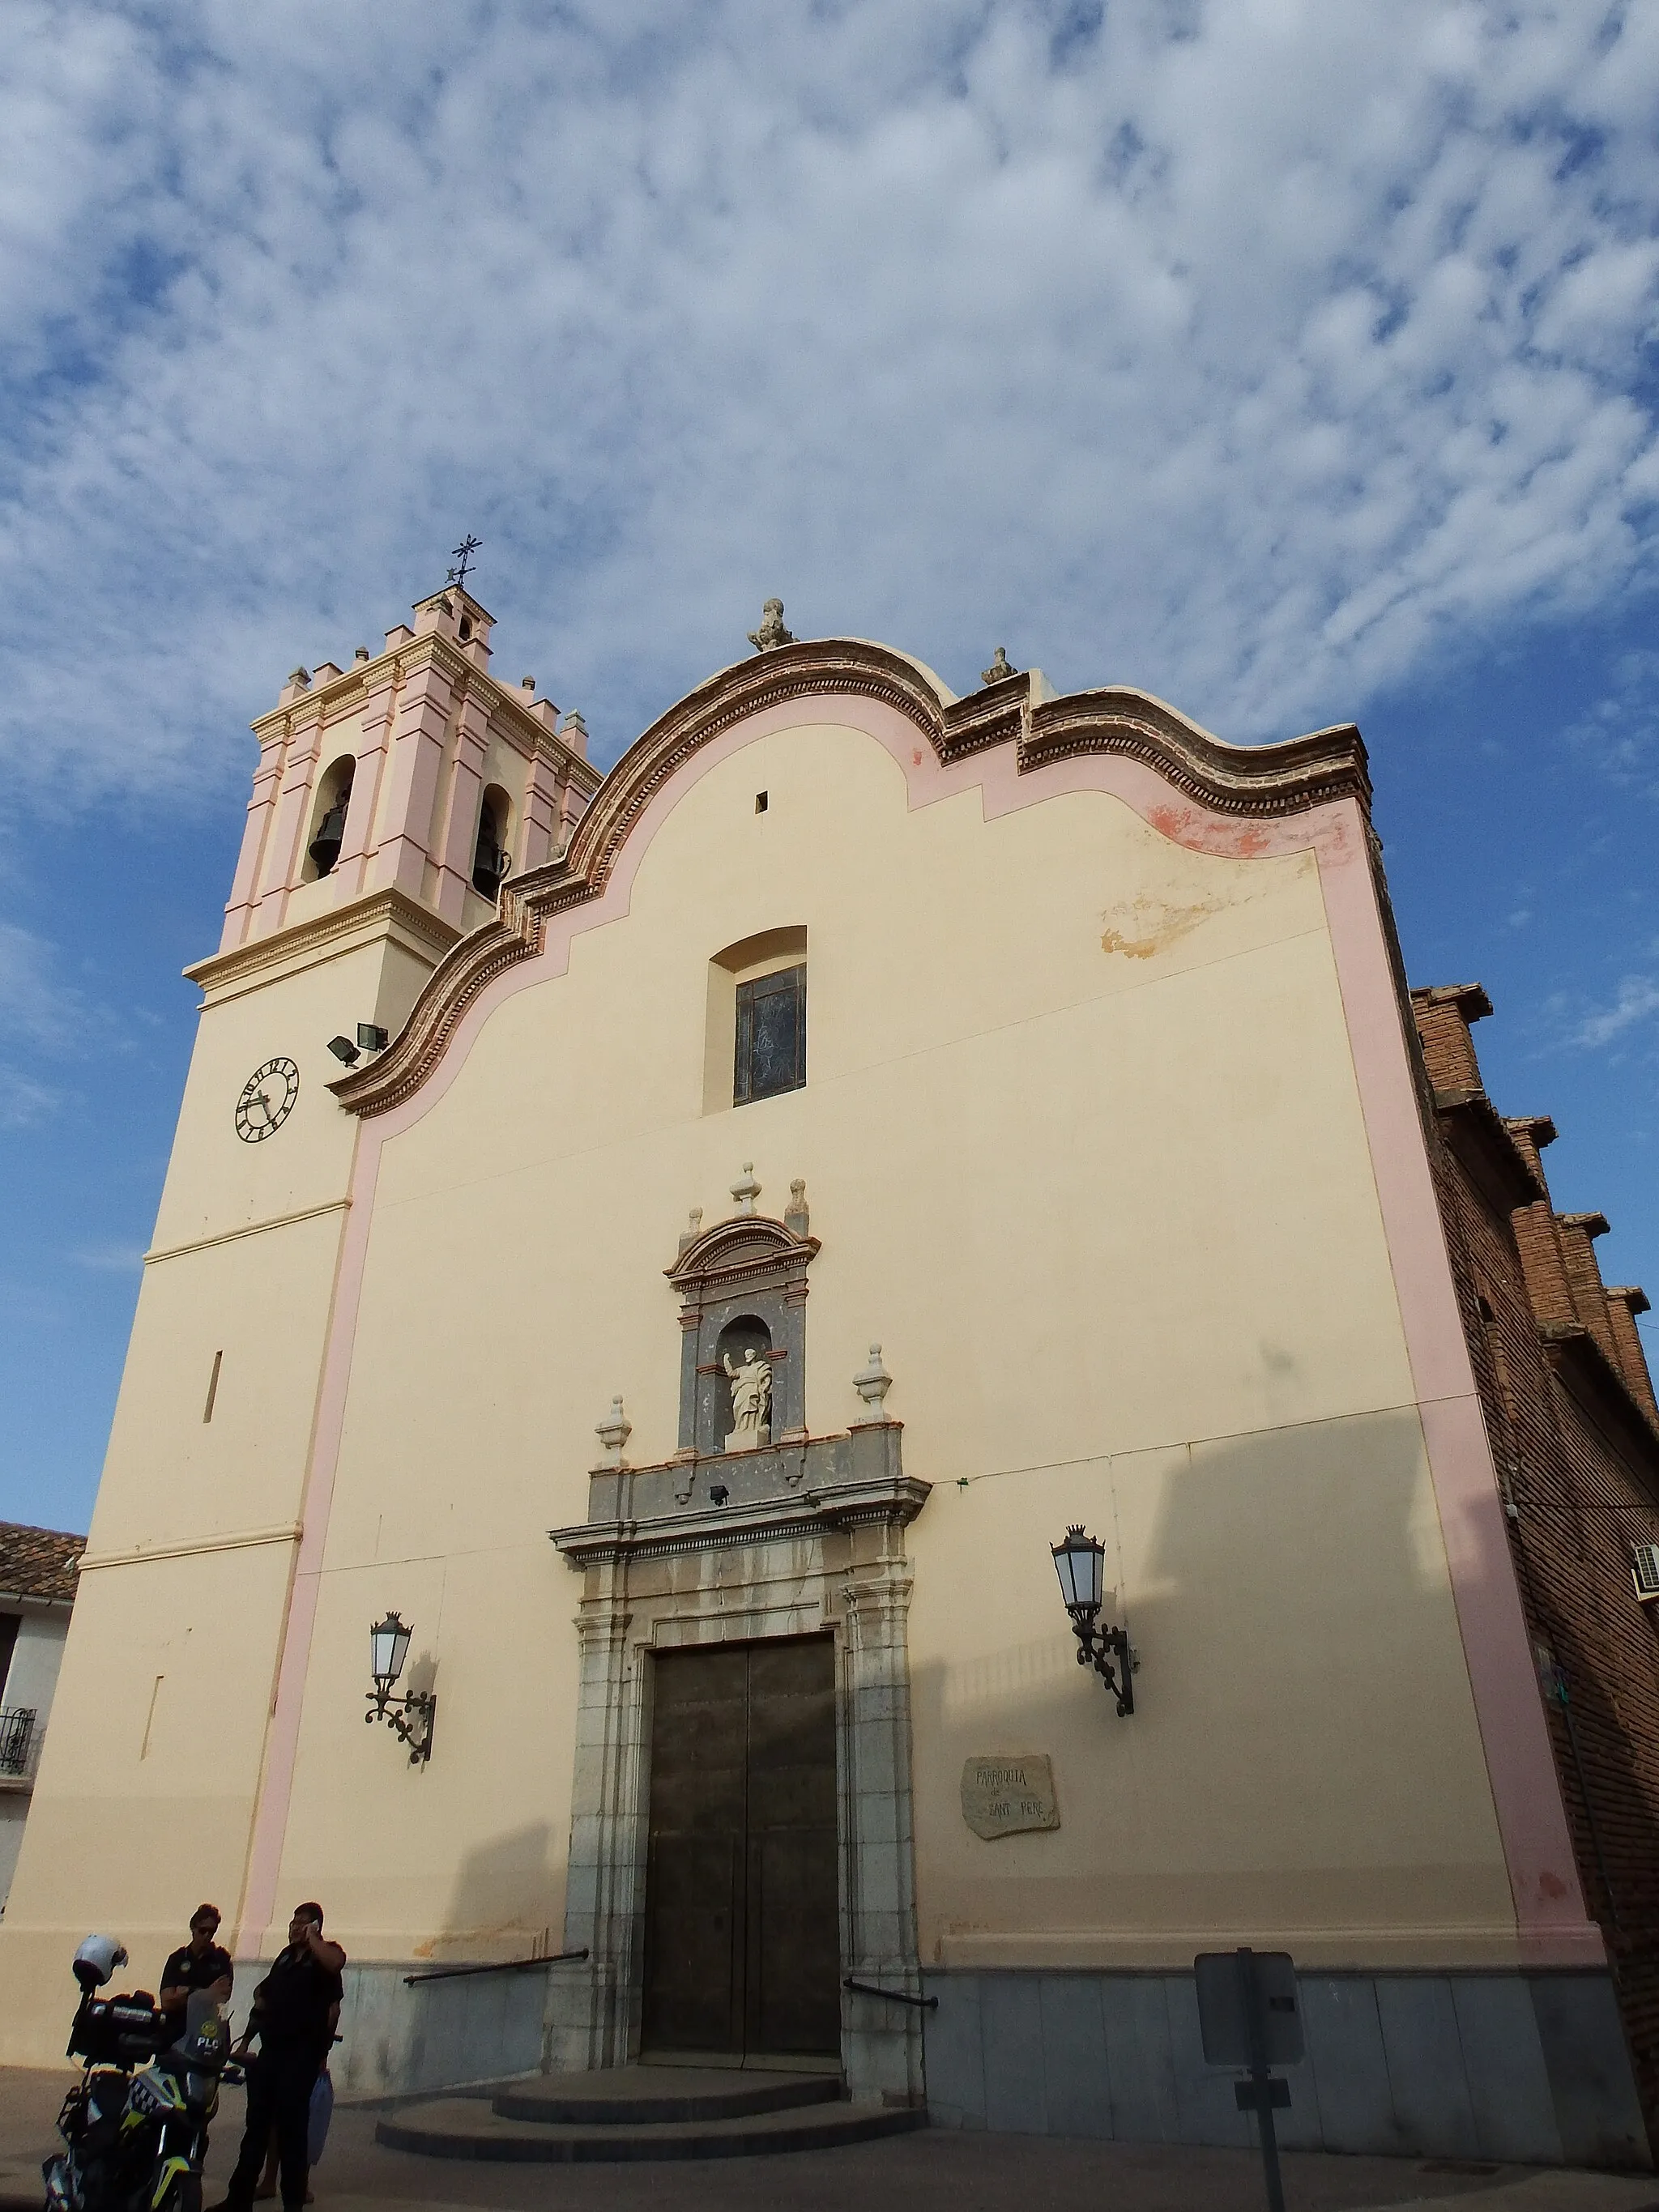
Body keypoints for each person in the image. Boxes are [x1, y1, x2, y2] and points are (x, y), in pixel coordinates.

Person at [211, 1904, 344, 2212]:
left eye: (302, 1923)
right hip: (271, 2055)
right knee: (256, 2130)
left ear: (315, 1926)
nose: (294, 1927)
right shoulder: (285, 1958)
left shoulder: (324, 1957)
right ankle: (238, 2198)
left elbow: (334, 1997)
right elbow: (263, 2000)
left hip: (301, 2057)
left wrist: (321, 2053)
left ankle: (293, 2203)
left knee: (292, 2133)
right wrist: (246, 2039)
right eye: (293, 1921)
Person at [159, 1905, 234, 2043]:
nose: (207, 1936)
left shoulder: (221, 1959)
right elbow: (167, 2002)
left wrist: (186, 1992)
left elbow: (221, 1997)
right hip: (175, 2032)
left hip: (204, 2033)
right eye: (203, 1930)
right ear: (193, 1928)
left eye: (211, 1932)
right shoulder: (177, 1958)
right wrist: (207, 1992)